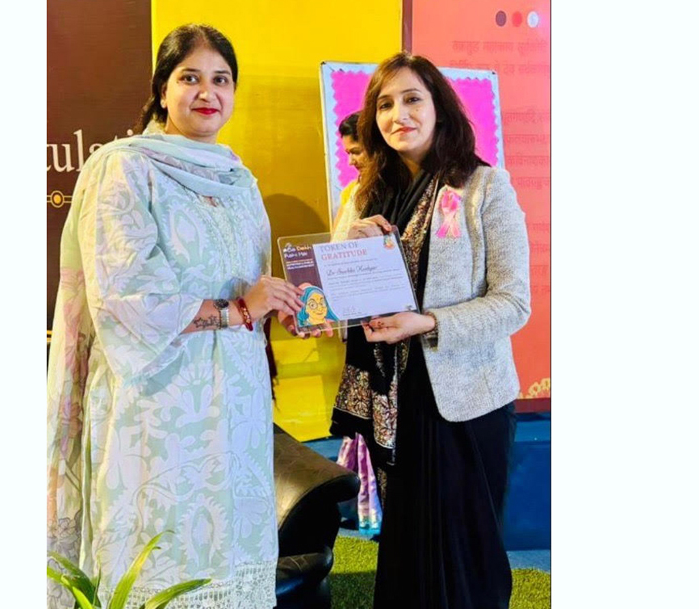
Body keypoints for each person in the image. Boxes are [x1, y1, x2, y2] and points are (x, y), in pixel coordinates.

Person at [47, 24, 307, 609]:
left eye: (222, 79)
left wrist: (281, 308)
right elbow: (125, 301)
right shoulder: (124, 168)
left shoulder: (239, 179)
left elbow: (248, 291)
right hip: (158, 406)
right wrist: (239, 308)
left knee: (229, 546)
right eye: (190, 77)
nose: (207, 92)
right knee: (160, 551)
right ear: (162, 90)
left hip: (236, 403)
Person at [330, 52, 531, 609]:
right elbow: (336, 299)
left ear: (439, 106)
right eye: (384, 104)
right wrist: (350, 244)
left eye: (412, 99)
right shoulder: (363, 195)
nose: (398, 115)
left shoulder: (483, 187)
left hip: (466, 400)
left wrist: (429, 323)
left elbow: (514, 303)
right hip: (393, 401)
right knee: (408, 544)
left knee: (467, 549)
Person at [331, 111, 366, 238]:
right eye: (348, 153)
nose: (351, 162)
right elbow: (336, 240)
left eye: (356, 152)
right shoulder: (352, 191)